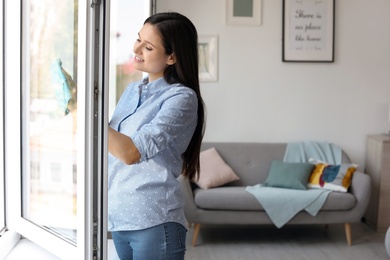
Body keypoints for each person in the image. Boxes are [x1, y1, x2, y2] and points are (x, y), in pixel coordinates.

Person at [107, 12, 205, 260]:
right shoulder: (133, 90)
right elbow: (110, 144)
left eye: (148, 47)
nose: (136, 48)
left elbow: (130, 153)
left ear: (172, 57)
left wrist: (84, 111)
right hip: (119, 219)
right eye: (138, 39)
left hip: (153, 220)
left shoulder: (181, 98)